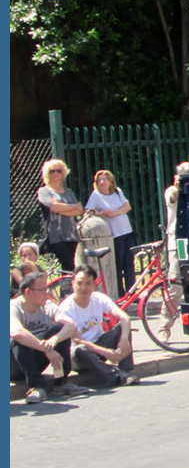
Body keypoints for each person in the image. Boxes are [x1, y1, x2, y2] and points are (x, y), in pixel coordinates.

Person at [10, 272, 88, 403]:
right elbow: (16, 332)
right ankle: (36, 387)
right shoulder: (13, 307)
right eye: (42, 290)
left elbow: (71, 326)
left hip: (35, 361)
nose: (47, 293)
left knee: (59, 330)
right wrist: (46, 349)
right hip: (13, 365)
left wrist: (55, 339)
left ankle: (61, 382)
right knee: (19, 339)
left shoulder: (47, 306)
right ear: (28, 292)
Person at [58, 264, 139, 387]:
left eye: (88, 283)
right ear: (73, 284)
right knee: (80, 350)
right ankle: (117, 376)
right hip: (79, 356)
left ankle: (126, 371)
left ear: (94, 285)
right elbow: (79, 341)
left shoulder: (99, 298)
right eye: (79, 283)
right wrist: (105, 352)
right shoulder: (66, 307)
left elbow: (124, 317)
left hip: (99, 346)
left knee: (123, 327)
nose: (83, 288)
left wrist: (123, 340)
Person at [85, 169, 136, 297]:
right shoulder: (96, 195)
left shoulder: (117, 192)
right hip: (114, 234)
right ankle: (119, 293)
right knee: (117, 264)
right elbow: (88, 212)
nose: (102, 182)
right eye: (99, 180)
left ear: (110, 181)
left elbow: (127, 206)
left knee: (129, 263)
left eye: (104, 179)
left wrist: (116, 213)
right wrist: (102, 213)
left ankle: (132, 292)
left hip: (126, 231)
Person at [161, 162, 189, 341]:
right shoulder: (171, 191)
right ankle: (164, 327)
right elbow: (173, 197)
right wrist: (178, 187)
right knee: (176, 286)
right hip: (178, 243)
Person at [37, 159, 82, 272]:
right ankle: (67, 289)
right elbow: (53, 208)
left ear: (64, 173)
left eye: (59, 171)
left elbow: (79, 211)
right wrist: (73, 206)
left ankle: (66, 289)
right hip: (55, 235)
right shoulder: (44, 191)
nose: (56, 173)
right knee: (68, 265)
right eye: (52, 171)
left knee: (70, 266)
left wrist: (61, 208)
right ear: (47, 173)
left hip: (71, 234)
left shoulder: (69, 192)